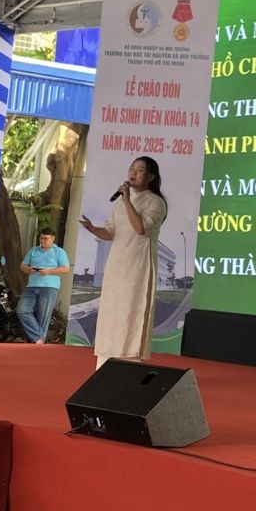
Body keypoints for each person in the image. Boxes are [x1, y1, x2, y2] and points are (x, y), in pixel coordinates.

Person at [79, 156, 167, 366]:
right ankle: (105, 362)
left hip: (138, 267)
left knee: (131, 312)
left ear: (151, 177)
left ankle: (129, 364)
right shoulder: (120, 203)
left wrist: (127, 201)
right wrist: (93, 229)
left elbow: (141, 229)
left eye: (140, 170)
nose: (133, 173)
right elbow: (110, 232)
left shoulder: (156, 202)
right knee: (112, 313)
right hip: (117, 266)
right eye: (131, 168)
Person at [17, 229, 70, 344]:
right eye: (41, 238)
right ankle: (38, 338)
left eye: (46, 238)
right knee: (22, 310)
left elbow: (66, 269)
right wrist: (28, 269)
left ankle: (39, 343)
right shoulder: (33, 250)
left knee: (43, 316)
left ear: (53, 238)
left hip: (49, 287)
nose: (43, 241)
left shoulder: (59, 252)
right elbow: (22, 266)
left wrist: (49, 271)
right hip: (32, 285)